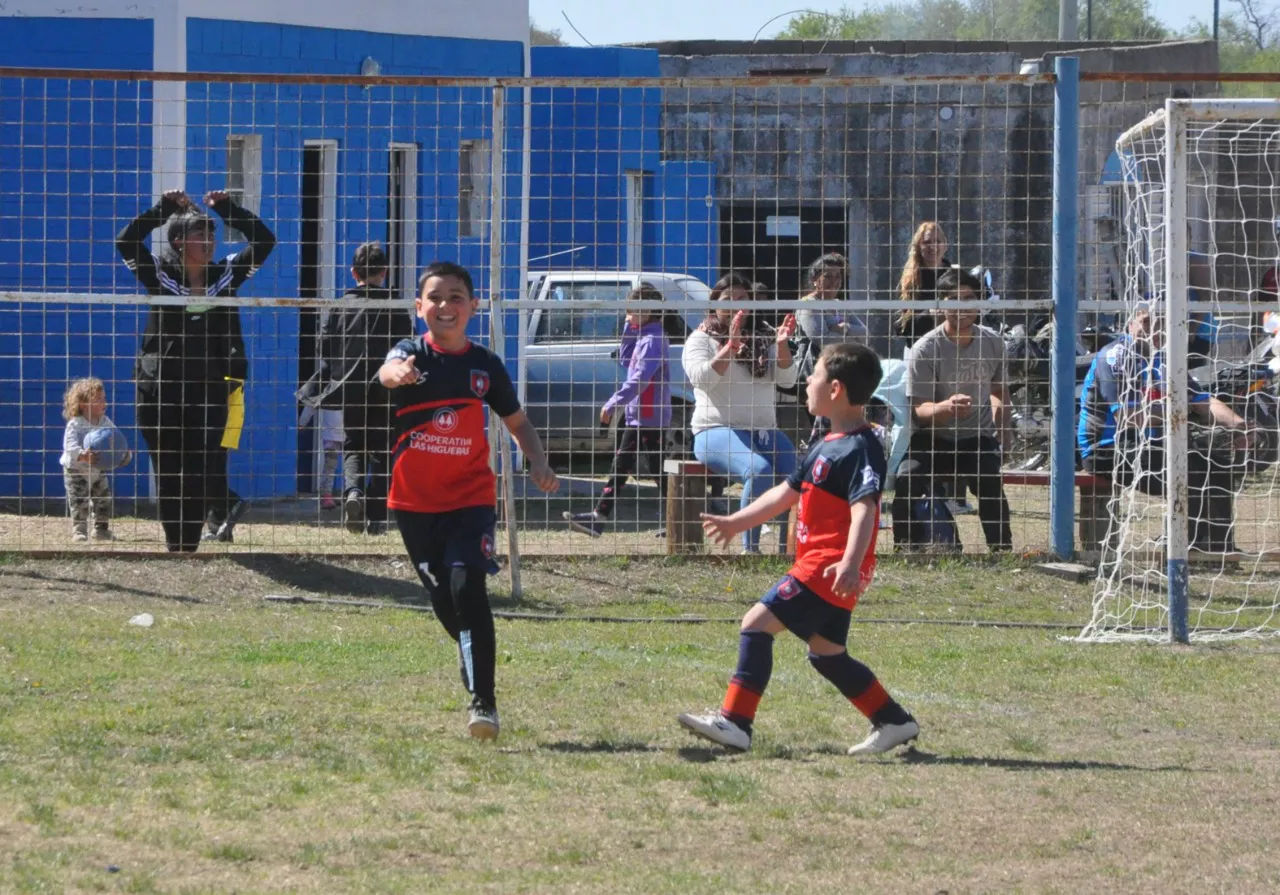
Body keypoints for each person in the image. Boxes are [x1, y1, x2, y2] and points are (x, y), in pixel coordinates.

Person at [677, 343, 919, 755]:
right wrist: (737, 523)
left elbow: (866, 511)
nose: (807, 382)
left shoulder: (861, 448)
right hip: (824, 565)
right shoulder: (828, 443)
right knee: (827, 653)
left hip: (827, 567)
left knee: (755, 624)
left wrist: (849, 562)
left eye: (815, 375)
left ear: (836, 389)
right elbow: (784, 495)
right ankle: (893, 720)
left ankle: (735, 723)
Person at [379, 261, 559, 740]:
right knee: (443, 601)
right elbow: (387, 370)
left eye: (456, 297)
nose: (445, 306)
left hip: (470, 499)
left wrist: (537, 462)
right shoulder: (410, 353)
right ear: (419, 308)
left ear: (473, 307)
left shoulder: (486, 366)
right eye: (435, 297)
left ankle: (485, 703)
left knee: (467, 589)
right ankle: (470, 656)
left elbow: (517, 422)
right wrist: (396, 373)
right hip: (413, 504)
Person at [116, 188, 275, 552]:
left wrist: (227, 210)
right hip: (158, 392)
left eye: (212, 234)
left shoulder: (227, 275)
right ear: (177, 241)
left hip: (210, 391)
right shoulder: (158, 274)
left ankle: (199, 536)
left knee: (203, 470)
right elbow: (126, 242)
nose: (209, 240)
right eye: (200, 233)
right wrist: (165, 208)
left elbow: (265, 241)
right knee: (169, 472)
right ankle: (179, 549)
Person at [1079, 303, 1247, 554]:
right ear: (1130, 324)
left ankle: (1216, 546)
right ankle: (1186, 543)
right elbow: (1129, 415)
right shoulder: (1114, 355)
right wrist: (1179, 411)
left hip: (1148, 446)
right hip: (1106, 448)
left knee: (1217, 462)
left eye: (1160, 323)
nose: (1153, 329)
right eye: (1146, 321)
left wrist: (1238, 425)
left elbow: (1201, 400)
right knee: (1190, 465)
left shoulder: (1166, 359)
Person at [891, 267, 1013, 553]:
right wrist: (944, 408)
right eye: (953, 300)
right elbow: (918, 410)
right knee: (907, 476)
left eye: (969, 298)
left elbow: (1000, 392)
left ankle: (1002, 550)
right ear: (940, 305)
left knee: (990, 477)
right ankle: (904, 549)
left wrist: (1003, 431)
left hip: (976, 437)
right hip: (933, 437)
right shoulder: (925, 348)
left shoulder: (994, 342)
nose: (962, 307)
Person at [683, 272, 799, 553]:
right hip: (714, 431)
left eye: (743, 298)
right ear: (714, 303)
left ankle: (790, 552)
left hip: (763, 430)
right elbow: (703, 380)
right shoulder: (700, 338)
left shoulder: (767, 334)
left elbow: (787, 381)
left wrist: (782, 345)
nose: (736, 304)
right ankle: (751, 551)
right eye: (728, 299)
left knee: (798, 476)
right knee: (759, 471)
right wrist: (730, 347)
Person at [315, 241, 409, 535]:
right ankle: (378, 518)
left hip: (351, 387)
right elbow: (408, 344)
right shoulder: (393, 305)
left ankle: (353, 491)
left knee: (354, 444)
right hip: (387, 386)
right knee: (384, 450)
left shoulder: (341, 306)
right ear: (384, 271)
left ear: (353, 272)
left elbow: (325, 347)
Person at [564, 284, 671, 537]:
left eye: (632, 310)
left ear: (648, 310)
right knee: (640, 467)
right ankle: (600, 518)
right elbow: (626, 360)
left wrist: (613, 403)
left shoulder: (653, 340)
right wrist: (628, 328)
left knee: (632, 466)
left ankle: (598, 518)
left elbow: (640, 378)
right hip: (640, 415)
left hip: (648, 415)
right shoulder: (644, 336)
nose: (628, 314)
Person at [60, 377, 130, 543]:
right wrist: (82, 455)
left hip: (98, 469)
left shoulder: (105, 422)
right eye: (98, 399)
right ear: (83, 403)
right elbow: (69, 445)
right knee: (79, 501)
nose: (103, 403)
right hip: (76, 470)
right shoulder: (75, 424)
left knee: (103, 499)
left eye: (104, 398)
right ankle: (79, 531)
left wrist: (124, 454)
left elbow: (116, 439)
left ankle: (101, 530)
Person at [894, 221, 952, 347]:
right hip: (919, 348)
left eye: (938, 241)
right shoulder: (908, 281)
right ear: (919, 246)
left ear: (945, 245)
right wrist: (929, 314)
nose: (933, 246)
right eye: (927, 242)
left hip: (951, 348)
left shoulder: (955, 276)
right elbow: (899, 328)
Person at [795, 252, 868, 351]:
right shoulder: (809, 305)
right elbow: (822, 340)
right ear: (814, 280)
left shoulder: (839, 305)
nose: (834, 281)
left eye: (838, 276)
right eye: (827, 276)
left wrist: (844, 327)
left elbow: (865, 333)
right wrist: (856, 344)